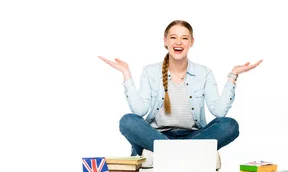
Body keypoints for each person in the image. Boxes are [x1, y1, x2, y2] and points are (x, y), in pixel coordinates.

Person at [98, 20, 262, 158]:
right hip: (156, 137)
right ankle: (185, 155)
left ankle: (171, 155)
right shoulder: (150, 71)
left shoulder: (204, 73)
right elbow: (139, 111)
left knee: (230, 125)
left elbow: (219, 112)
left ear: (191, 42)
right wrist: (126, 74)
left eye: (184, 38)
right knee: (128, 121)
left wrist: (233, 75)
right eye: (173, 37)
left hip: (194, 136)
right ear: (165, 41)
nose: (178, 42)